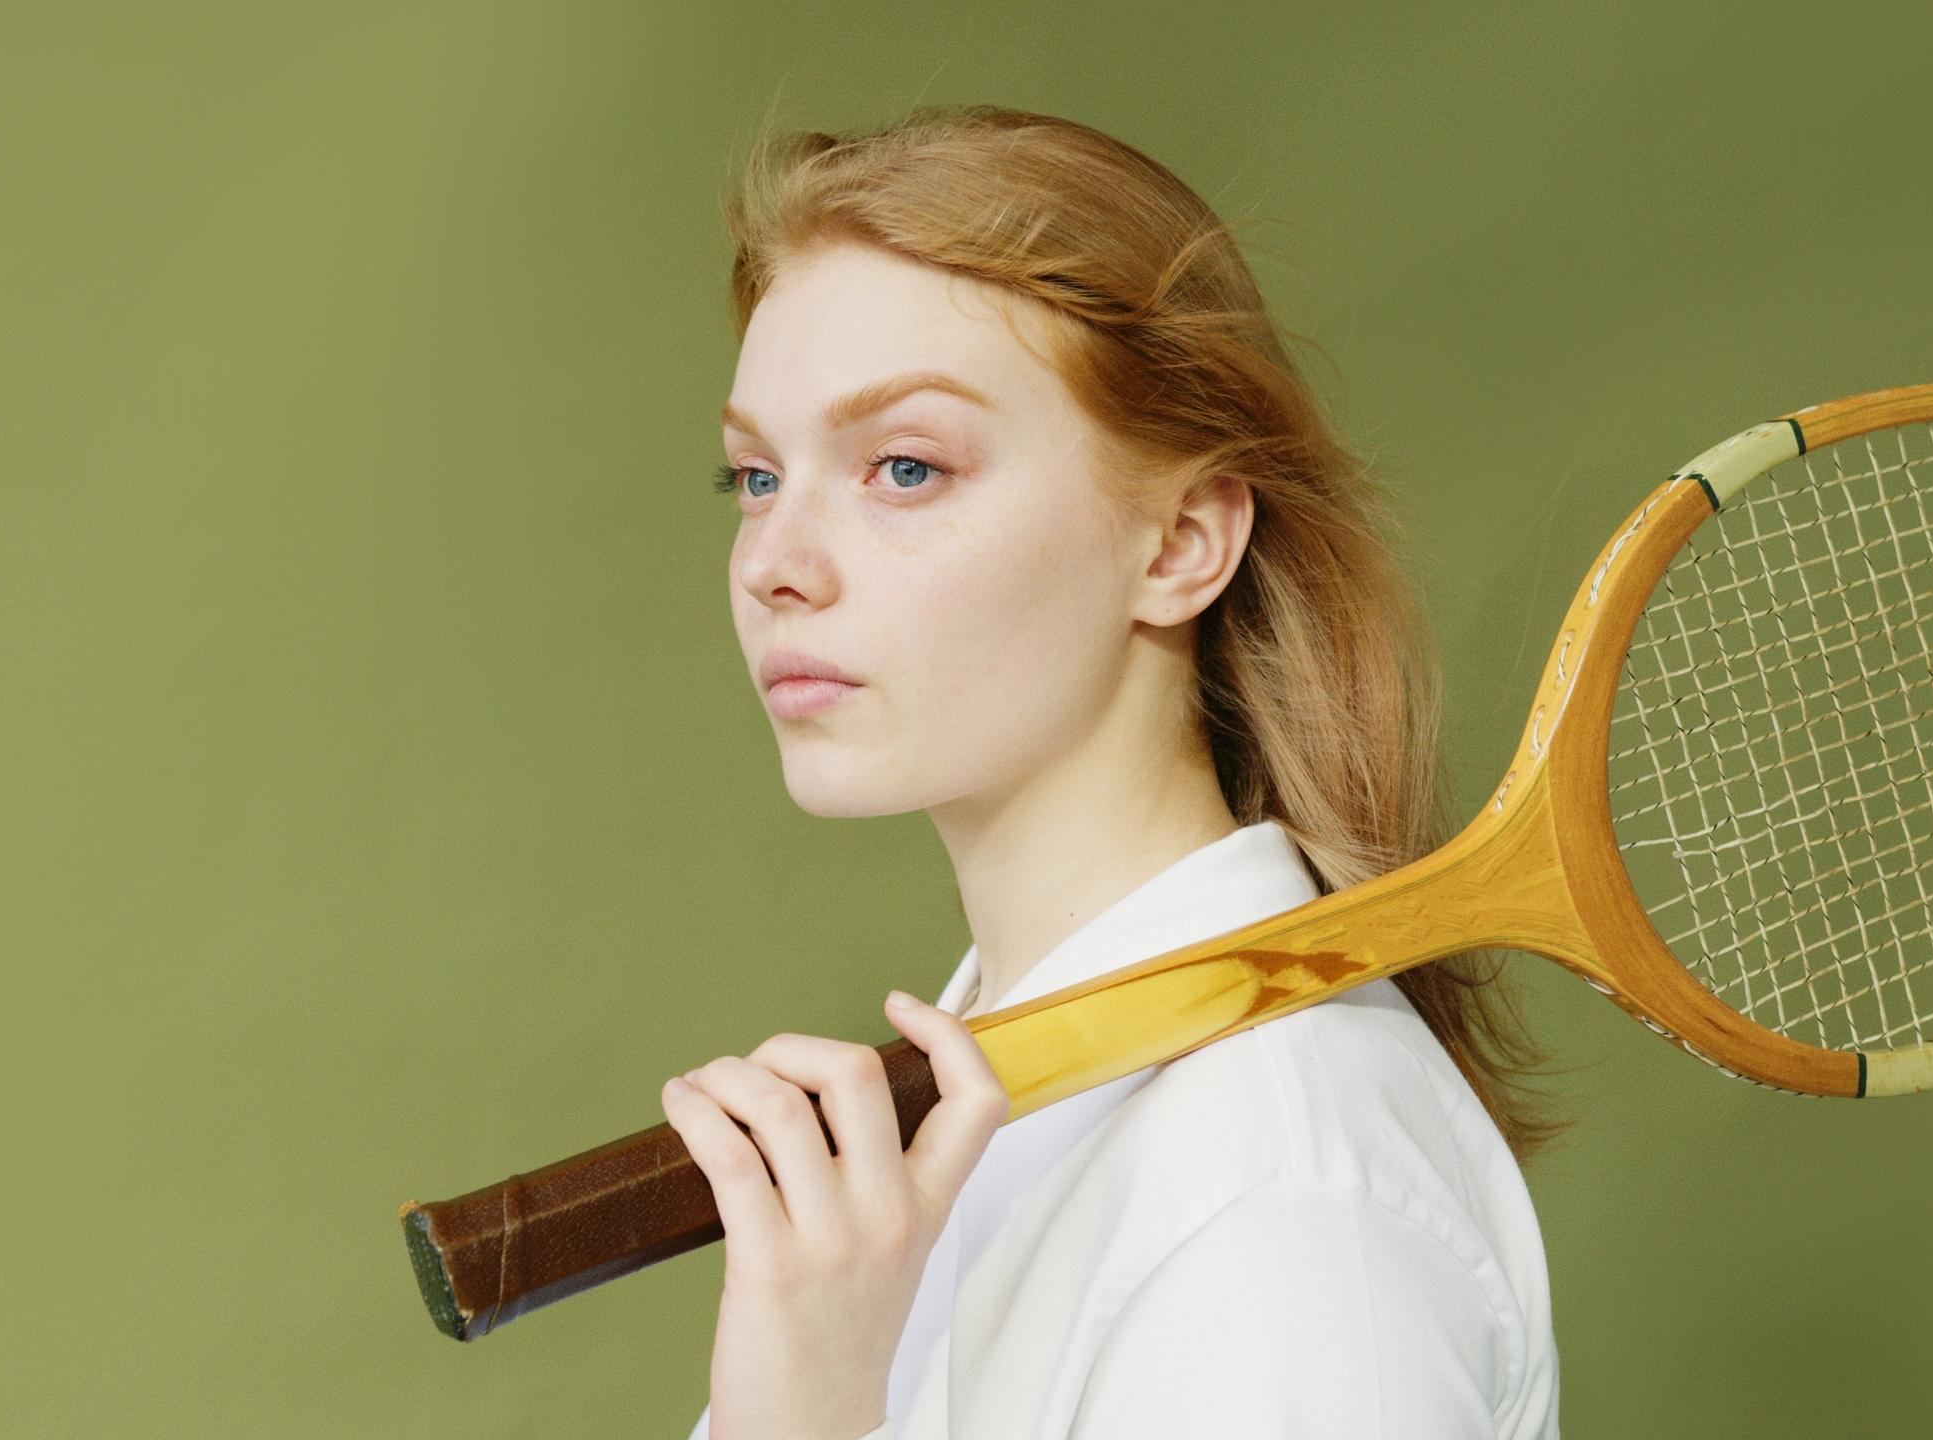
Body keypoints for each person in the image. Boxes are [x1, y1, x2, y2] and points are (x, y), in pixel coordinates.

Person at [659, 104, 1568, 1440]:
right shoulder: (979, 1125)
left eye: (904, 466)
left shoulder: (1285, 1201)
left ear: (1182, 543)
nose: (775, 560)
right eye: (755, 475)